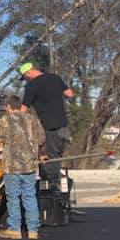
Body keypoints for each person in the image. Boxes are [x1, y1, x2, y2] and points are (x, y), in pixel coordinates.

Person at [0, 94, 46, 240]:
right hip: (29, 166)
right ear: (20, 106)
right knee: (30, 196)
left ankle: (15, 229)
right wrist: (41, 156)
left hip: (11, 166)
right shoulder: (32, 119)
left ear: (8, 106)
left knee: (13, 197)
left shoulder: (5, 120)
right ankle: (33, 230)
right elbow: (40, 139)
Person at [20, 62, 74, 191]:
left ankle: (53, 191)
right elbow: (70, 94)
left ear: (28, 73)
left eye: (25, 77)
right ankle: (61, 188)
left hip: (50, 127)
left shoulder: (31, 86)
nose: (26, 79)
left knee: (50, 159)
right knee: (58, 157)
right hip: (64, 125)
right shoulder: (55, 77)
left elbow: (23, 110)